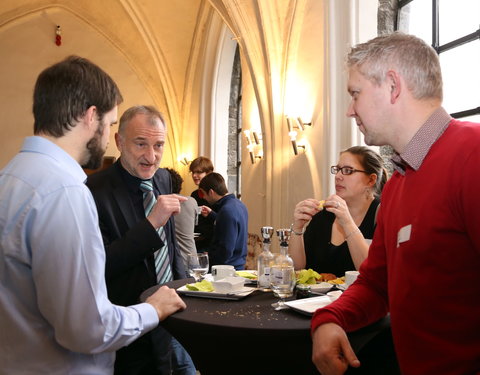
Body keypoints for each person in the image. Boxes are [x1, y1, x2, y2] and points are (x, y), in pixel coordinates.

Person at [0, 56, 186, 374]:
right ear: (91, 117)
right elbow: (88, 329)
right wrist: (152, 310)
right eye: (110, 123)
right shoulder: (66, 191)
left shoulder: (11, 175)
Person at [311, 32, 480, 375]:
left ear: (392, 85)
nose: (349, 110)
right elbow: (377, 283)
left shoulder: (472, 155)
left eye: (354, 94)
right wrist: (331, 318)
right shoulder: (398, 183)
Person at [86, 105, 196, 375]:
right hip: (130, 322)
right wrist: (151, 223)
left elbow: (169, 247)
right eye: (141, 144)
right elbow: (101, 265)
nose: (152, 156)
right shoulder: (93, 190)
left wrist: (185, 289)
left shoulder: (163, 179)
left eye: (159, 145)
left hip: (174, 316)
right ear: (119, 142)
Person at [289, 146, 387, 276]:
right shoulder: (324, 214)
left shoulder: (382, 214)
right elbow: (296, 269)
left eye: (348, 170)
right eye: (338, 170)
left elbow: (371, 272)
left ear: (371, 180)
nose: (338, 176)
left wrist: (347, 222)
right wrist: (297, 228)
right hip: (316, 296)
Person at [198, 172, 248, 269]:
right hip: (238, 265)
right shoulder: (239, 204)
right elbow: (232, 227)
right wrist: (212, 215)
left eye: (203, 194)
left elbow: (225, 250)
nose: (203, 198)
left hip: (227, 269)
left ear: (211, 192)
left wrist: (209, 256)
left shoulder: (226, 210)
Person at [166, 167, 199, 270]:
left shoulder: (164, 204)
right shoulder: (192, 201)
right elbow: (195, 225)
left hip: (176, 261)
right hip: (193, 256)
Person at [189, 156, 215, 251]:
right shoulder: (194, 194)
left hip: (212, 244)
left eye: (198, 172)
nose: (194, 175)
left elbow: (222, 220)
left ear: (208, 173)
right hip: (198, 242)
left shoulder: (215, 194)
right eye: (193, 172)